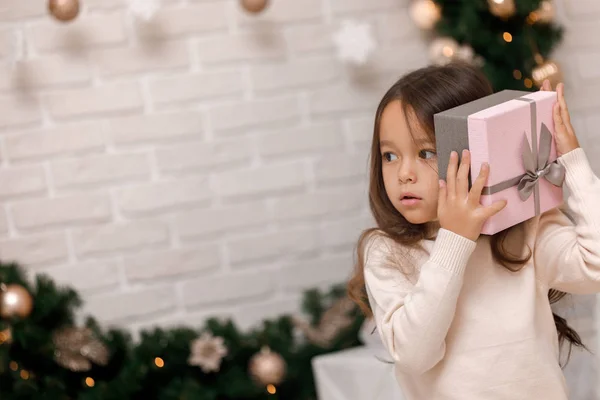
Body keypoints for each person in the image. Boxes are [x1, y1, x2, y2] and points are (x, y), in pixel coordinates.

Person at [347, 61, 597, 399]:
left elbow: (594, 267)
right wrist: (454, 240)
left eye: (425, 152)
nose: (404, 173)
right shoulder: (387, 251)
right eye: (389, 156)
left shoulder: (525, 229)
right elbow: (414, 354)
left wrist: (574, 162)